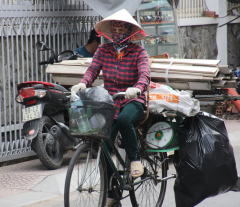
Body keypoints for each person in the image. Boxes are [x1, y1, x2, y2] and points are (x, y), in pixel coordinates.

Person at [71, 9, 150, 207]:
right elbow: (92, 70)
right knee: (103, 140)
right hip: (110, 102)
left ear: (129, 31)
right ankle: (112, 191)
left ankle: (135, 161)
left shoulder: (139, 52)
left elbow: (145, 75)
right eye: (114, 29)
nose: (117, 32)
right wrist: (83, 83)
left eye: (121, 28)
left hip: (133, 100)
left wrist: (137, 89)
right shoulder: (103, 51)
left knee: (124, 120)